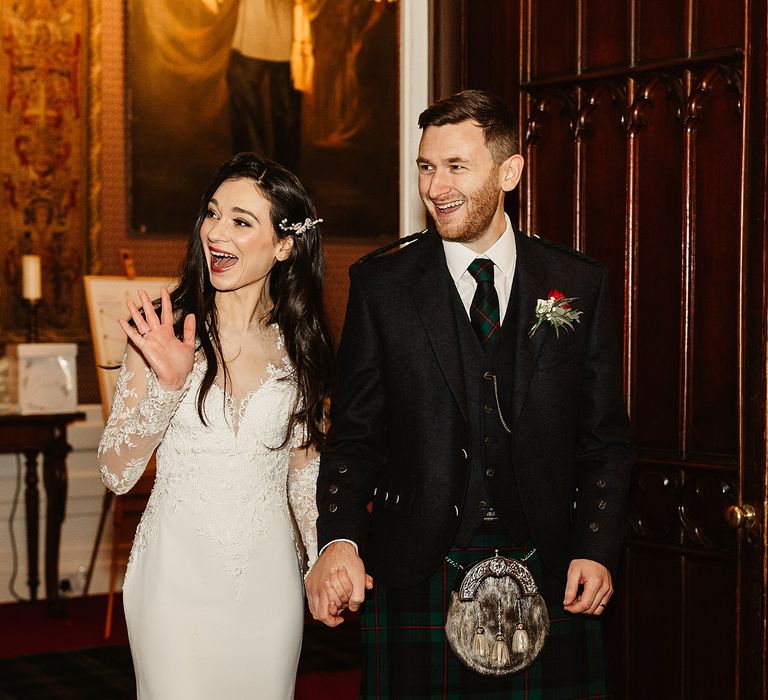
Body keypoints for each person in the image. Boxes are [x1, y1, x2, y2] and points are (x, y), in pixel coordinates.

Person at [305, 90, 635, 698]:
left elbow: (604, 439)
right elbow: (354, 436)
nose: (436, 187)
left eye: (457, 167)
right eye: (426, 168)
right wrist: (339, 539)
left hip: (550, 564)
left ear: (509, 171)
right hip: (416, 568)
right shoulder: (382, 285)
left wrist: (597, 544)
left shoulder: (575, 284)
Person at [98, 152, 334, 699]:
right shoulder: (161, 324)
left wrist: (324, 556)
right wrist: (168, 386)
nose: (216, 233)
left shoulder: (303, 344)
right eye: (212, 213)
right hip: (173, 580)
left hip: (267, 583)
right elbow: (116, 472)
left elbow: (304, 474)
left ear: (284, 245)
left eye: (241, 221)